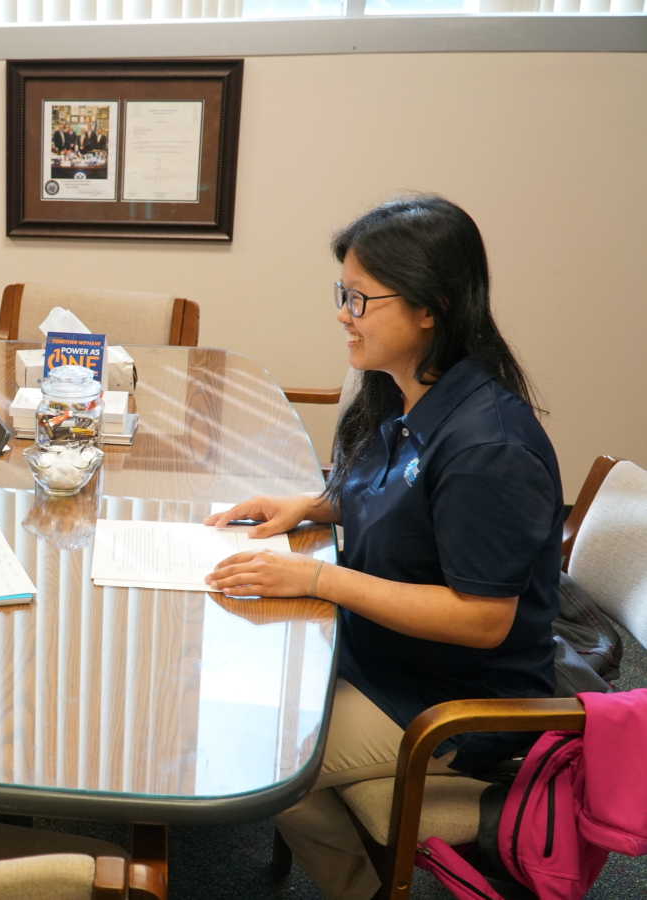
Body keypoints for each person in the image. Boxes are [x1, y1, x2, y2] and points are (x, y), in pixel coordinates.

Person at [203, 196, 562, 900]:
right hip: (378, 654)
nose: (344, 313)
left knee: (249, 759)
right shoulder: (408, 395)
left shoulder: (489, 445)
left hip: (452, 697)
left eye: (360, 299)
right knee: (233, 708)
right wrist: (311, 505)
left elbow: (482, 617)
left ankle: (364, 891)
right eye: (344, 293)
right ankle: (364, 879)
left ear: (432, 308)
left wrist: (317, 581)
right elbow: (399, 495)